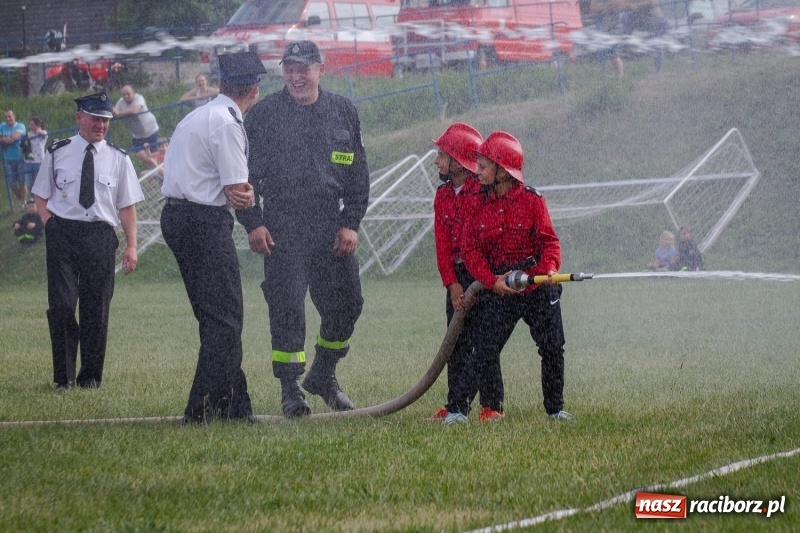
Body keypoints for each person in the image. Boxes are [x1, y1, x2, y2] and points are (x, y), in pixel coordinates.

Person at [238, 40, 370, 418]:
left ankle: (323, 375)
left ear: (321, 70)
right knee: (288, 308)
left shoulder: (342, 111)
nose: (296, 76)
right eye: (289, 68)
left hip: (331, 226)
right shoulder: (264, 115)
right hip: (282, 227)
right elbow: (243, 177)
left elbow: (357, 171)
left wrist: (351, 222)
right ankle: (291, 387)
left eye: (304, 68)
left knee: (347, 304)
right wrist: (253, 222)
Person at [160, 51, 264, 425]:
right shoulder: (228, 123)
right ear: (254, 90)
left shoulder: (197, 115)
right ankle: (200, 409)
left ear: (221, 84)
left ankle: (235, 405)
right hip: (203, 220)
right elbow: (238, 191)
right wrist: (251, 199)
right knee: (225, 319)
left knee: (215, 316)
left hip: (176, 215)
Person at [448, 131, 572, 423]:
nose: (476, 171)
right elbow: (470, 249)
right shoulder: (476, 202)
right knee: (485, 349)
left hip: (536, 287)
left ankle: (555, 409)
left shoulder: (532, 201)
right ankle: (457, 410)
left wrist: (550, 270)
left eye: (483, 166)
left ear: (502, 171)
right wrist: (492, 282)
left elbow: (549, 243)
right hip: (501, 287)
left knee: (553, 347)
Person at [32, 92, 144, 392]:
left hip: (99, 236)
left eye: (105, 120)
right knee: (62, 306)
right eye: (95, 118)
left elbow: (127, 206)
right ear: (79, 118)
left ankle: (90, 377)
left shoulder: (119, 159)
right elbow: (41, 195)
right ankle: (63, 378)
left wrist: (131, 245)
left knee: (96, 309)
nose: (101, 125)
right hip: (63, 235)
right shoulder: (57, 152)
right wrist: (50, 226)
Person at [430, 122, 487, 421]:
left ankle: (492, 405)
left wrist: (479, 281)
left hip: (482, 278)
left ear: (458, 160)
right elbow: (442, 245)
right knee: (455, 341)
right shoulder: (442, 196)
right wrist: (451, 284)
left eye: (441, 154)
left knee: (484, 342)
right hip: (458, 277)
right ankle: (455, 404)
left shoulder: (482, 193)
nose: (436, 161)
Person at [112, 85, 161, 169]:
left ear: (133, 93)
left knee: (153, 153)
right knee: (140, 154)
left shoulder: (139, 98)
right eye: (124, 95)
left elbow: (135, 110)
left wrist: (119, 113)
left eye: (128, 94)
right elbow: (114, 113)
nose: (126, 96)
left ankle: (156, 174)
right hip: (137, 134)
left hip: (151, 130)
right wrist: (112, 111)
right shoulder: (121, 102)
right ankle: (159, 170)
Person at [1, 109, 28, 208]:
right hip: (8, 158)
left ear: (14, 116)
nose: (8, 119)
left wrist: (5, 139)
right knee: (12, 183)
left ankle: (23, 203)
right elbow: (10, 139)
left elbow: (15, 137)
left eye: (9, 116)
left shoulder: (20, 126)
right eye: (6, 117)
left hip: (20, 157)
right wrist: (7, 139)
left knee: (22, 181)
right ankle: (23, 201)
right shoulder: (2, 126)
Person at [22, 117, 48, 200]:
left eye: (32, 124)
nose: (30, 126)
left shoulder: (43, 132)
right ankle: (35, 199)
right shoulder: (29, 134)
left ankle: (41, 199)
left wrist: (38, 131)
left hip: (39, 162)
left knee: (39, 183)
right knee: (29, 183)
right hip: (28, 161)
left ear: (37, 125)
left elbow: (43, 135)